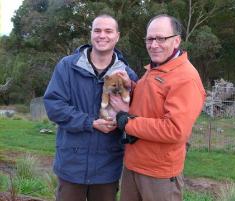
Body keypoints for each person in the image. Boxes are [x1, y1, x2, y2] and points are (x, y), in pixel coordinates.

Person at [43, 14, 138, 201]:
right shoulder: (67, 67)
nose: (102, 35)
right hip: (71, 165)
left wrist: (123, 117)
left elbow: (137, 114)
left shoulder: (127, 75)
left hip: (107, 167)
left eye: (108, 31)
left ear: (117, 36)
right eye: (97, 30)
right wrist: (90, 123)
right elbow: (54, 105)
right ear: (91, 34)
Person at [115, 14, 206, 201]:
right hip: (133, 165)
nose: (154, 44)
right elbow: (151, 101)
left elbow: (174, 129)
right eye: (150, 39)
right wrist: (132, 86)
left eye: (161, 38)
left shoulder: (185, 78)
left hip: (158, 175)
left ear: (177, 41)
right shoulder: (156, 68)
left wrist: (127, 123)